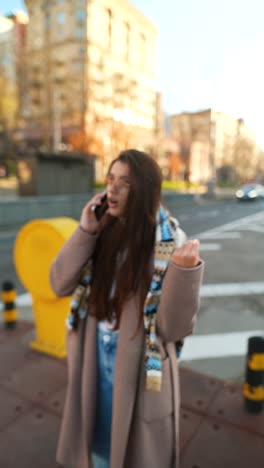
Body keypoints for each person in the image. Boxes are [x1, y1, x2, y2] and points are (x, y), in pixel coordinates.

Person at [50, 149, 204, 468]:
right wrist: (85, 231)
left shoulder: (169, 242)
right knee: (99, 447)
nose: (113, 190)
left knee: (132, 454)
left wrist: (185, 273)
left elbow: (172, 330)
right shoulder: (102, 229)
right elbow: (59, 284)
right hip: (97, 351)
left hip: (136, 364)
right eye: (110, 179)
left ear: (145, 189)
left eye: (126, 183)